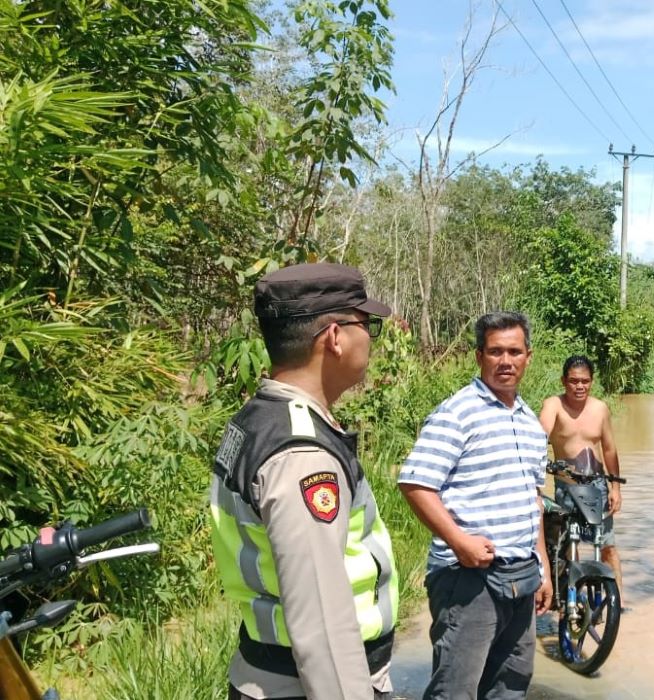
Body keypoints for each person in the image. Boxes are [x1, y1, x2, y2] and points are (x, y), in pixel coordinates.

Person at [209, 262, 399, 700]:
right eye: (366, 324)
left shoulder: (261, 417)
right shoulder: (301, 455)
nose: (371, 337)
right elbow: (323, 623)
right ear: (334, 337)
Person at [398, 312, 553, 700]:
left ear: (528, 357)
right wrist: (458, 541)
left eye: (514, 352)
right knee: (455, 690)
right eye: (495, 351)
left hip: (522, 574)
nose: (506, 361)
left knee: (510, 684)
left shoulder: (531, 422)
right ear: (479, 356)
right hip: (470, 578)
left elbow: (531, 500)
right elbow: (415, 483)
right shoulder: (458, 413)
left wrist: (543, 566)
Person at [539, 356, 624, 604]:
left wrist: (615, 488)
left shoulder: (600, 409)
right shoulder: (553, 406)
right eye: (574, 381)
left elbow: (609, 450)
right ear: (564, 381)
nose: (579, 386)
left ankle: (616, 602)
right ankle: (568, 599)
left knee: (607, 546)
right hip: (566, 487)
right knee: (566, 546)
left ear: (592, 382)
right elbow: (539, 435)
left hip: (597, 486)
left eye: (585, 381)